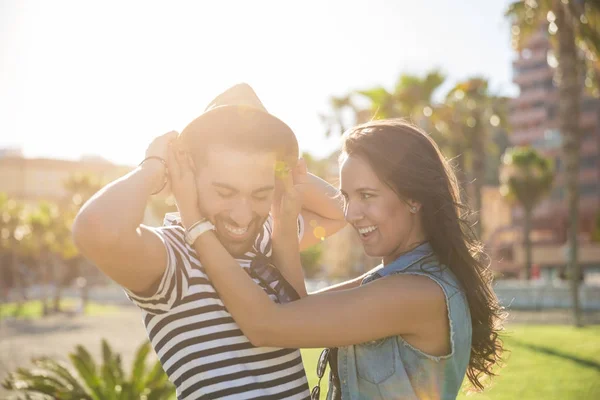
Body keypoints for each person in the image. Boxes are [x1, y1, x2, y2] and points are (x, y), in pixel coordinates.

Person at [169, 119, 506, 400]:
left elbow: (266, 325)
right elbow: (296, 310)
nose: (351, 213)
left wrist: (193, 219)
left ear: (413, 198)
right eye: (346, 196)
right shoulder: (395, 278)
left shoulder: (417, 293)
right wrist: (284, 222)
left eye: (367, 196)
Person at [72, 83, 347, 399]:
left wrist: (285, 171)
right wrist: (155, 165)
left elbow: (341, 211)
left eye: (259, 193)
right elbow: (95, 229)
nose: (243, 217)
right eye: (224, 192)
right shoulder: (174, 257)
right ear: (186, 172)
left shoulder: (266, 238)